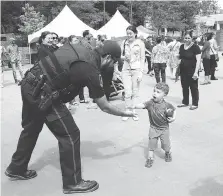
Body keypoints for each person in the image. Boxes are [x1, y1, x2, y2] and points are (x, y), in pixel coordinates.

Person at [5, 40, 136, 194]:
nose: (113, 66)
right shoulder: (90, 69)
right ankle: (73, 183)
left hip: (30, 82)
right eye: (113, 62)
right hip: (43, 92)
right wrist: (125, 112)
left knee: (31, 129)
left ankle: (16, 167)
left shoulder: (82, 49)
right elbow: (104, 106)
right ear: (107, 57)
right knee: (70, 134)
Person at [134, 83, 176, 168]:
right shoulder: (150, 103)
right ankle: (150, 158)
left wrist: (173, 118)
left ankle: (167, 153)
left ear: (164, 95)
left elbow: (174, 110)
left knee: (166, 144)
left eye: (158, 92)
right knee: (151, 145)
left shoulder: (167, 105)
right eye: (154, 91)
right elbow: (142, 105)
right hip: (153, 128)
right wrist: (134, 106)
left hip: (164, 129)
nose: (154, 93)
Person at [121, 25, 146, 121]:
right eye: (127, 33)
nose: (128, 35)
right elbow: (120, 56)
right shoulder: (124, 42)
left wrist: (141, 73)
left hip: (136, 70)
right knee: (127, 92)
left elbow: (143, 58)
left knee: (135, 92)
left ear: (135, 33)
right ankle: (127, 111)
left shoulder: (140, 43)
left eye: (130, 33)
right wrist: (124, 57)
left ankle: (134, 111)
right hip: (126, 69)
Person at [177, 31, 201, 110]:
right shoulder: (181, 46)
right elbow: (180, 57)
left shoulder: (195, 47)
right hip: (183, 70)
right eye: (185, 38)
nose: (187, 39)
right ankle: (185, 102)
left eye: (188, 38)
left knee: (193, 87)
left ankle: (195, 103)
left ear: (192, 38)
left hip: (192, 70)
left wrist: (196, 72)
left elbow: (198, 60)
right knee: (184, 87)